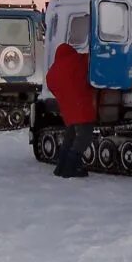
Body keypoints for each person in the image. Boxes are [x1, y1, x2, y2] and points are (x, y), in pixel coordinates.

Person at [45, 43, 97, 178]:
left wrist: (65, 98)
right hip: (82, 107)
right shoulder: (77, 61)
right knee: (83, 137)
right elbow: (94, 61)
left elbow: (51, 87)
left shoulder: (52, 71)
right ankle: (70, 168)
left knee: (70, 138)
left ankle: (60, 167)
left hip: (68, 110)